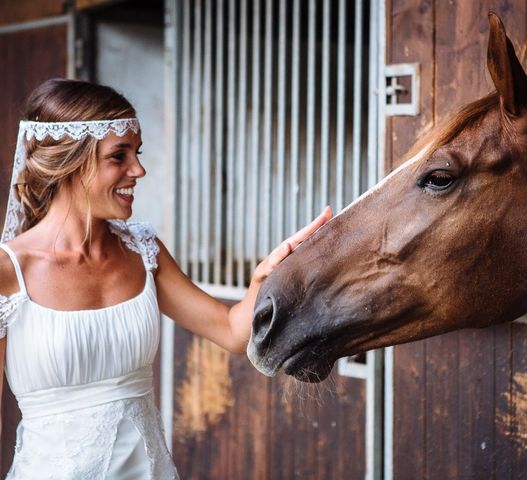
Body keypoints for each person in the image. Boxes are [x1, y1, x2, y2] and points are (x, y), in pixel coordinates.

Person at [0, 78, 332, 479]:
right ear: (70, 160)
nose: (138, 169)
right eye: (118, 155)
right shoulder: (8, 272)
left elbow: (231, 331)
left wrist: (267, 275)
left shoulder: (144, 252)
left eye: (136, 153)